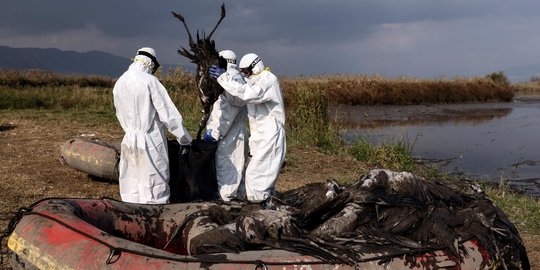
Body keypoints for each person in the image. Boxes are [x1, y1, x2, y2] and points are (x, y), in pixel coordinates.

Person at [113, 47, 192, 204]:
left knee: (131, 181)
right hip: (150, 138)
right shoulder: (149, 81)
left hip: (129, 138)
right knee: (154, 181)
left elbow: (119, 112)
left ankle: (132, 216)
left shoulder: (120, 81)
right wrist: (184, 138)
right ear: (150, 64)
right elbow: (168, 113)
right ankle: (156, 216)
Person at [209, 53, 286, 202]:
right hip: (259, 137)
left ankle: (261, 213)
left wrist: (224, 77)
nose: (245, 75)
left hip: (271, 136)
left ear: (255, 66)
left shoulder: (268, 80)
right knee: (260, 180)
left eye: (246, 71)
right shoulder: (255, 81)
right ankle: (268, 207)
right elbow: (241, 91)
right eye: (242, 71)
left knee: (255, 179)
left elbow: (247, 94)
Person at [204, 49, 248, 201]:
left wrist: (214, 134)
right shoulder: (236, 78)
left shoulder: (230, 80)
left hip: (228, 134)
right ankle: (239, 201)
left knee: (227, 169)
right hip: (236, 131)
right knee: (238, 169)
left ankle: (228, 205)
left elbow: (226, 113)